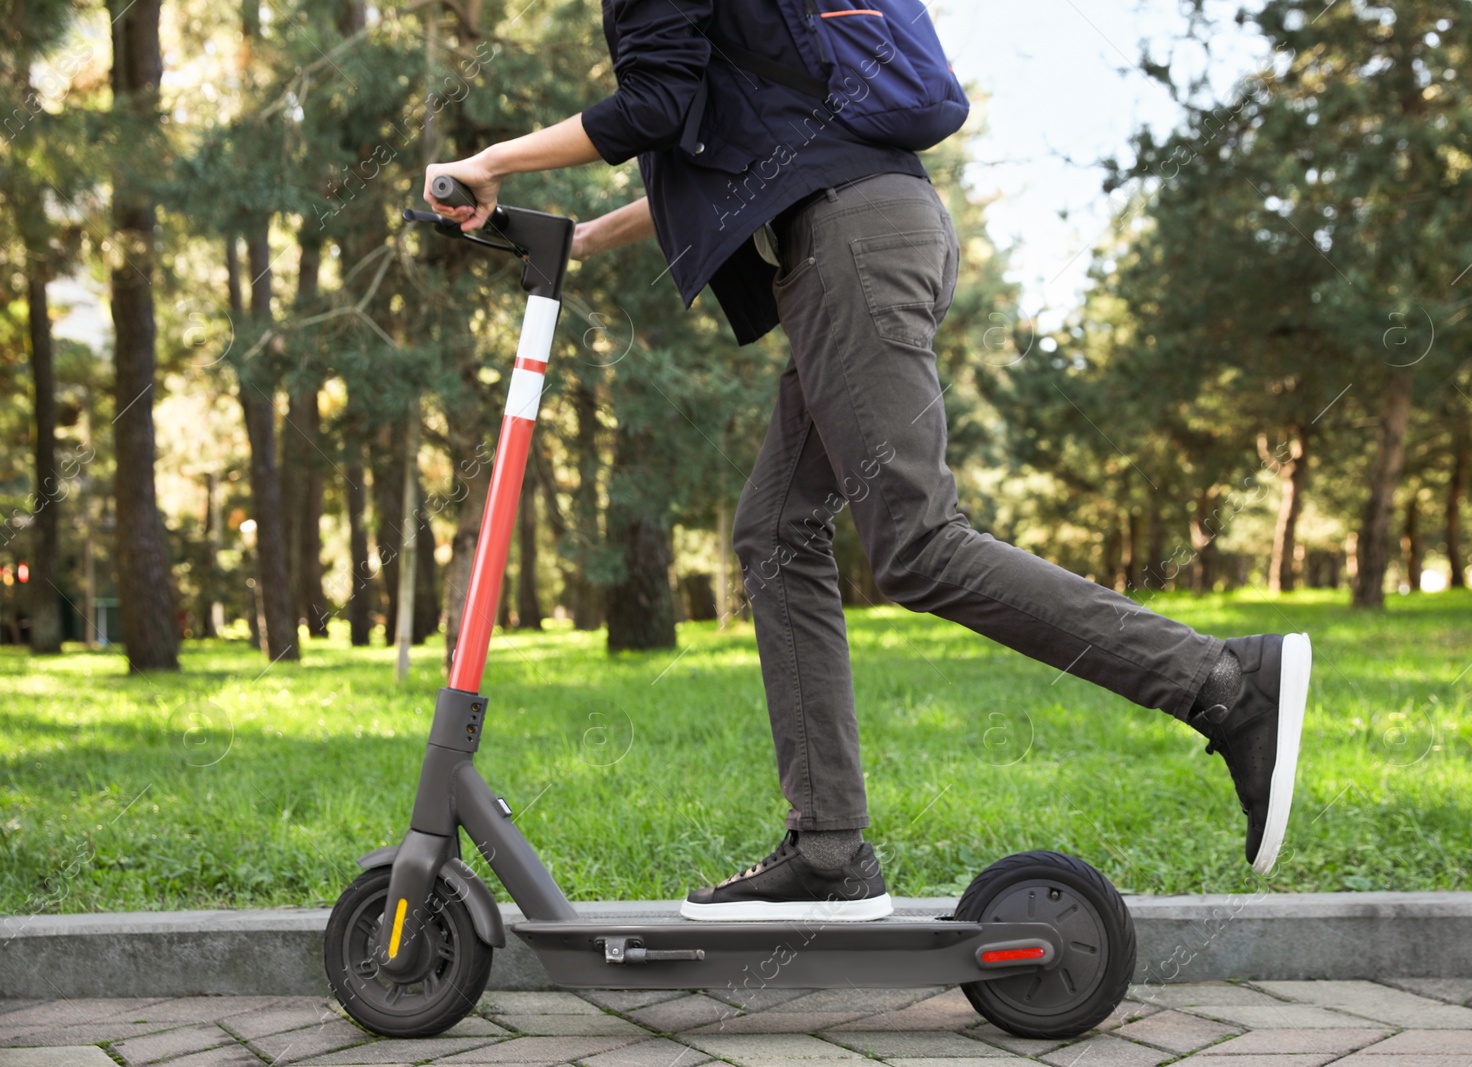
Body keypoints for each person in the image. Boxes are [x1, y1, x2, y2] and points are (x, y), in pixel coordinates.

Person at [426, 0, 1312, 923]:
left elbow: (652, 106)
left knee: (920, 543)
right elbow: (737, 144)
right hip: (862, 229)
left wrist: (488, 160)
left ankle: (1224, 683)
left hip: (851, 241)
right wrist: (581, 235)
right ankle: (830, 851)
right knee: (774, 530)